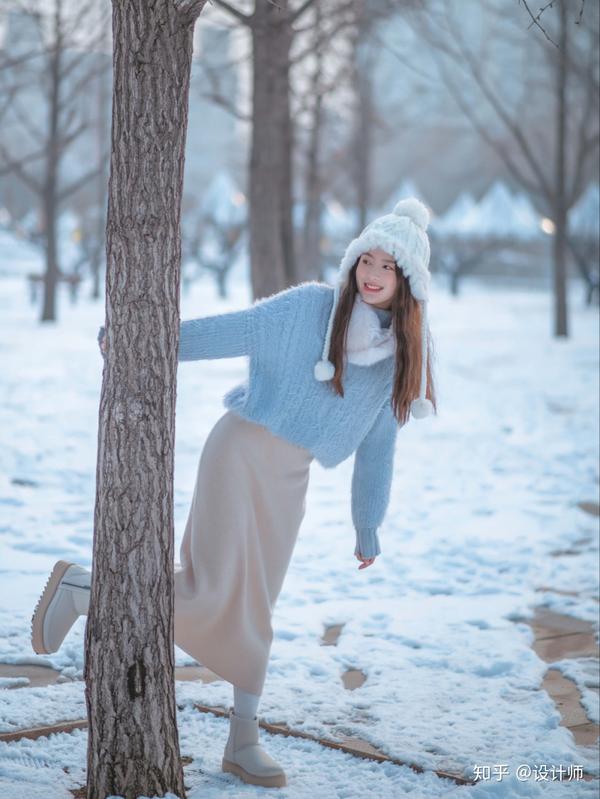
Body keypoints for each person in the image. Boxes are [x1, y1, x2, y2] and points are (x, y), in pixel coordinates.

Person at [30, 196, 437, 789]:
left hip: (289, 482)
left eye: (386, 267)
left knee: (258, 610)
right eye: (365, 261)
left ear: (408, 283)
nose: (370, 275)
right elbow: (232, 331)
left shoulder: (395, 365)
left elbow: (378, 453)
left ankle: (242, 741)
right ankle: (87, 589)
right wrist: (138, 339)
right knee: (211, 588)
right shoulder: (309, 310)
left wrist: (367, 526)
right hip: (238, 453)